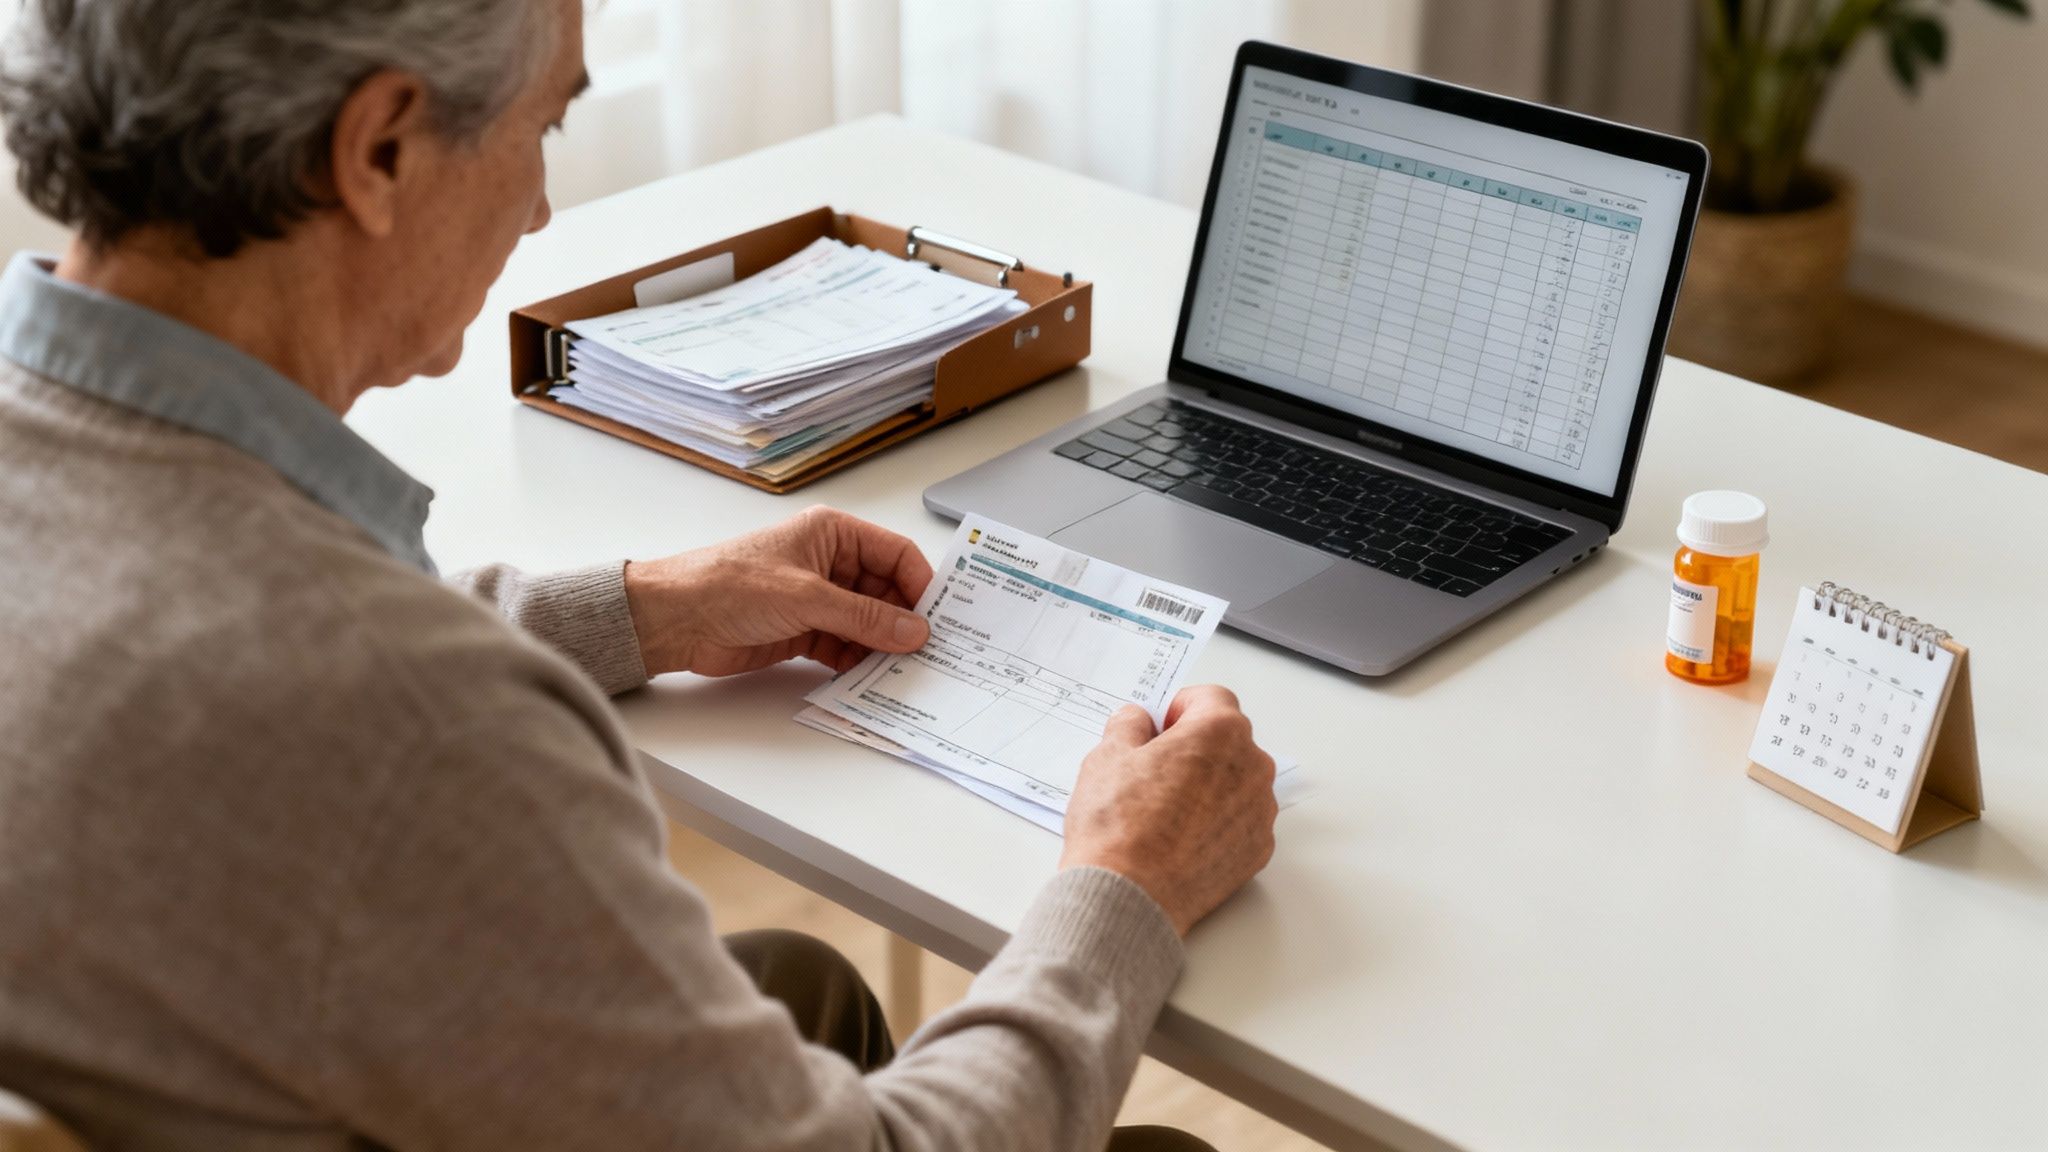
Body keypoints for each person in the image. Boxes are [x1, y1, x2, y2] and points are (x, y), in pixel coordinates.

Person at [0, 2, 1281, 1150]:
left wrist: (648, 609)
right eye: (543, 124)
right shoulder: (419, 735)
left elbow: (246, 671)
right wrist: (1125, 883)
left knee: (800, 983)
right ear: (380, 148)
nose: (539, 207)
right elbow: (371, 724)